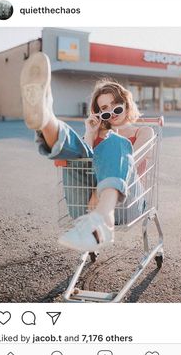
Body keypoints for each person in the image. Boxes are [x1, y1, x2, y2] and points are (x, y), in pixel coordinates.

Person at [20, 52, 154, 253]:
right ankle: (47, 120)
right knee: (77, 154)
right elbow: (82, 160)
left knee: (115, 141)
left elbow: (129, 164)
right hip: (87, 208)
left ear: (126, 104)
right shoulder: (99, 132)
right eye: (105, 110)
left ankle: (104, 218)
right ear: (99, 113)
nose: (112, 114)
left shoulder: (143, 131)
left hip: (128, 205)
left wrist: (97, 192)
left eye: (116, 107)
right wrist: (91, 133)